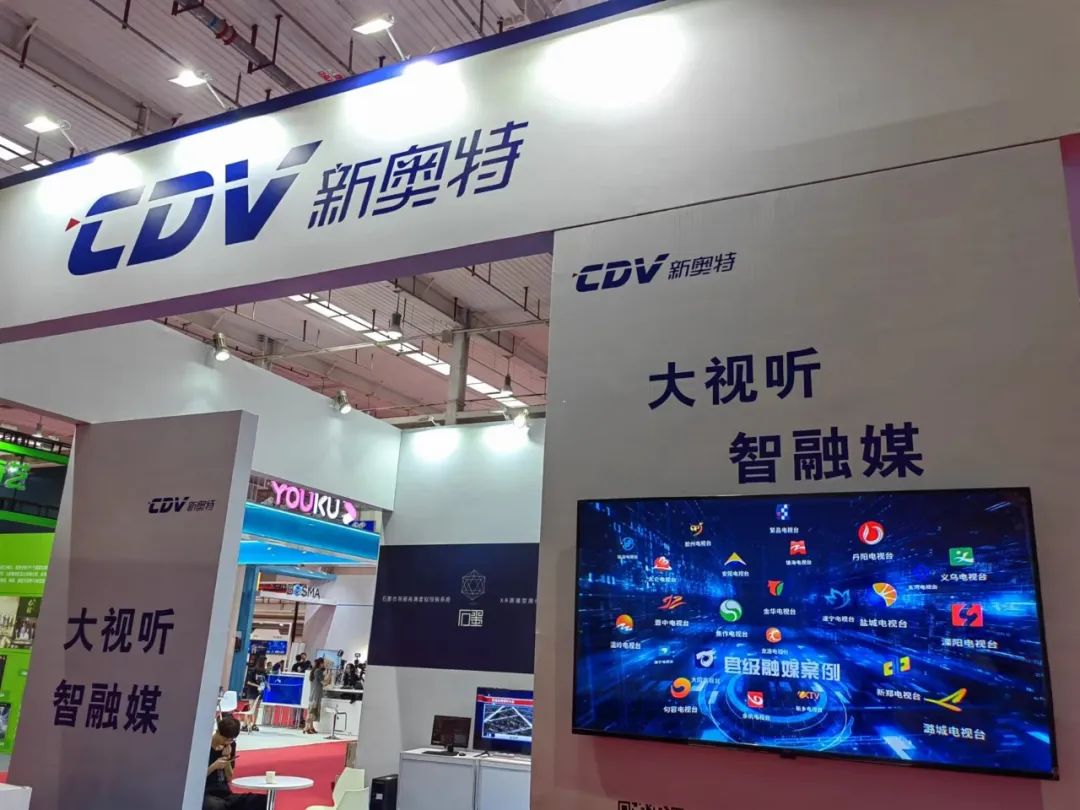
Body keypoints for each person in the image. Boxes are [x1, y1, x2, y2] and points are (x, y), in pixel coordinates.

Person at [204, 715, 267, 810]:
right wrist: (214, 766)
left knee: (261, 800)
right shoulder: (204, 746)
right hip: (206, 793)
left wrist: (227, 758)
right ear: (217, 732)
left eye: (231, 739)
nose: (227, 742)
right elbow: (194, 779)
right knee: (215, 806)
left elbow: (229, 777)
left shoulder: (231, 745)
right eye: (225, 739)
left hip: (225, 793)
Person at [303, 657, 329, 734]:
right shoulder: (318, 671)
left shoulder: (314, 671)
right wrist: (329, 673)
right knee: (312, 712)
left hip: (313, 694)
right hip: (316, 695)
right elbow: (324, 682)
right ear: (321, 663)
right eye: (324, 663)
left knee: (311, 711)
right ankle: (306, 727)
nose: (325, 664)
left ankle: (310, 727)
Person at [242, 656, 267, 732]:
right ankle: (245, 725)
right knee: (251, 708)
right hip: (252, 691)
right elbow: (248, 682)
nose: (266, 663)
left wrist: (266, 685)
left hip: (259, 692)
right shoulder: (253, 670)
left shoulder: (264, 672)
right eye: (265, 662)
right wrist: (257, 686)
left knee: (256, 709)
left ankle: (254, 724)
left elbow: (264, 681)